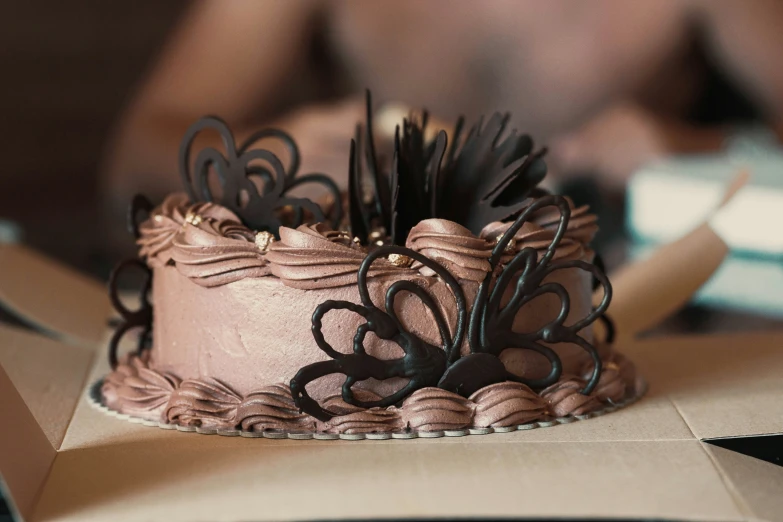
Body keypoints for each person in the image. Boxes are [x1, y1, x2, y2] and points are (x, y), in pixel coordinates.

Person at [101, 0, 783, 239]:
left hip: (624, 322)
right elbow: (134, 158)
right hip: (370, 322)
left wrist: (708, 150)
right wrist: (267, 155)